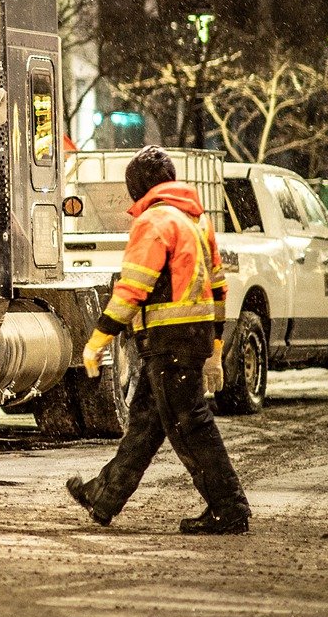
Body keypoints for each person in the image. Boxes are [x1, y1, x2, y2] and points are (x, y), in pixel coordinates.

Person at [67, 146, 251, 535]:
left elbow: (133, 287)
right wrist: (215, 349)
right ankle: (105, 495)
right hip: (192, 337)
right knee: (148, 422)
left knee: (191, 425)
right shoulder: (195, 221)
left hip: (169, 342)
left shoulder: (154, 221)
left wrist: (98, 339)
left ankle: (229, 507)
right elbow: (219, 287)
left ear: (138, 188)